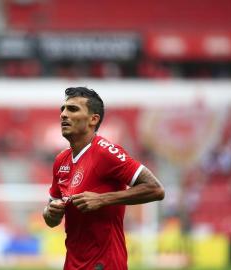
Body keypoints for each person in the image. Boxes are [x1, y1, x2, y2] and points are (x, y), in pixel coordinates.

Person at [42, 87, 165, 270]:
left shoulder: (106, 153)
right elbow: (51, 220)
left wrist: (102, 199)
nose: (64, 115)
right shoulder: (61, 160)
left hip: (105, 265)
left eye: (73, 109)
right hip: (72, 265)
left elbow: (156, 189)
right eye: (63, 109)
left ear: (93, 119)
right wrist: (50, 212)